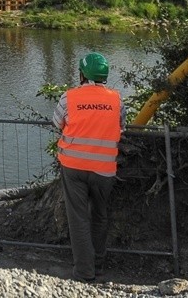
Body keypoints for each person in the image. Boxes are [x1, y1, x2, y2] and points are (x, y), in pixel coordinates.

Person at [53, 52, 127, 283]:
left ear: (82, 74)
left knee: (78, 218)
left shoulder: (69, 98)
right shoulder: (117, 100)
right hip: (104, 169)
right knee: (100, 215)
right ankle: (99, 266)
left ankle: (84, 273)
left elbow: (57, 123)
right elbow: (121, 126)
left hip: (73, 167)